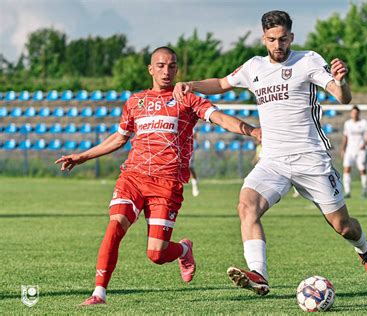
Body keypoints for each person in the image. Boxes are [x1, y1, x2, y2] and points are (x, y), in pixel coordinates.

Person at [173, 10, 367, 296]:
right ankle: (259, 274)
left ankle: (365, 251)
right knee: (246, 206)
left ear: (291, 37)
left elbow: (342, 97)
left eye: (283, 39)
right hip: (273, 161)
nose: (278, 45)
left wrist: (342, 82)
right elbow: (222, 83)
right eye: (272, 39)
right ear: (264, 39)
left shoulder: (308, 60)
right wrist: (190, 85)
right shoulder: (254, 67)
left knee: (343, 226)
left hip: (311, 159)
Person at [55, 46, 260, 305]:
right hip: (133, 176)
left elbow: (219, 118)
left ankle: (184, 250)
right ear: (150, 69)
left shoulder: (188, 99)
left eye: (172, 66)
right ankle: (99, 292)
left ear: (177, 70)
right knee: (116, 223)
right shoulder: (135, 102)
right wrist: (82, 156)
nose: (166, 71)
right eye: (161, 66)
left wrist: (253, 131)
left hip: (167, 183)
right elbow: (120, 138)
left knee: (156, 254)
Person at [341, 106, 367, 198]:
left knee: (362, 170)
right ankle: (347, 191)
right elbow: (345, 137)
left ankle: (364, 191)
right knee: (346, 169)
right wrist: (343, 149)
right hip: (349, 150)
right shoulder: (347, 124)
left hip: (360, 150)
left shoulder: (364, 123)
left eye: (356, 113)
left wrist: (365, 144)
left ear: (359, 113)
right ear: (351, 113)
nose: (354, 114)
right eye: (353, 112)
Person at [189, 130, 200, 197]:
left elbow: (195, 136)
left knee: (189, 167)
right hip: (178, 148)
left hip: (189, 149)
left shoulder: (190, 125)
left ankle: (194, 185)